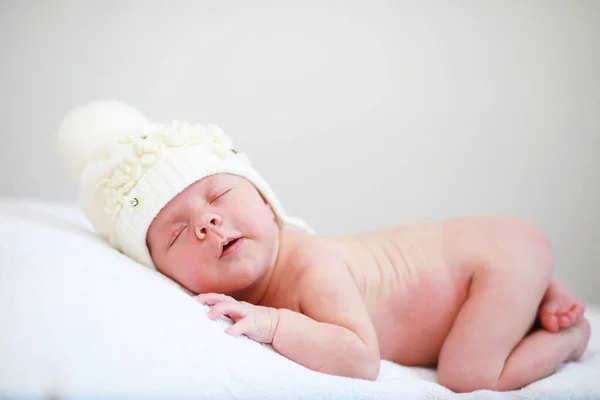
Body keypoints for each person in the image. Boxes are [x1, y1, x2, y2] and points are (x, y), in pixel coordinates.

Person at [57, 100, 590, 393]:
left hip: (496, 257)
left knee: (468, 376)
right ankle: (539, 300)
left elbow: (361, 358)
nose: (207, 222)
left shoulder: (309, 263)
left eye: (218, 194)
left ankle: (569, 337)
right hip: (491, 261)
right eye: (175, 233)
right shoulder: (258, 283)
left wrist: (271, 325)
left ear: (268, 203)